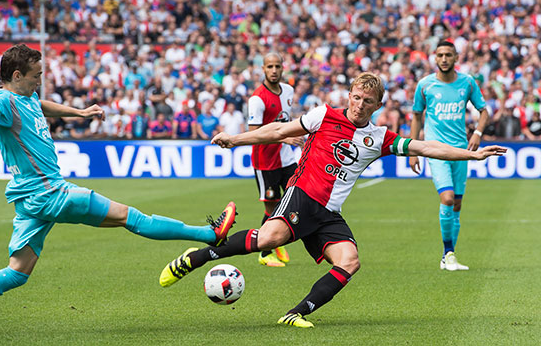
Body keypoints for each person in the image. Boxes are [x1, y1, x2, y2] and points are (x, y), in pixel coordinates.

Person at [0, 44, 238, 337]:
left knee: (17, 273)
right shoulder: (3, 100)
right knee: (129, 217)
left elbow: (44, 106)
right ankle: (210, 234)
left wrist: (80, 112)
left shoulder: (27, 98)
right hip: (51, 194)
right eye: (36, 75)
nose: (39, 81)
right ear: (16, 75)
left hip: (30, 202)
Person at [158, 72, 505, 328]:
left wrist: (470, 156)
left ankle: (296, 313)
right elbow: (279, 131)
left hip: (329, 213)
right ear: (349, 95)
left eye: (368, 101)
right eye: (356, 97)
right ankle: (196, 258)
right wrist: (235, 139)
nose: (359, 105)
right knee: (270, 238)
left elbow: (424, 146)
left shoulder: (380, 137)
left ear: (378, 105)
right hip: (302, 195)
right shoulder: (323, 116)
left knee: (350, 261)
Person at [409, 41, 490, 271]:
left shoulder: (467, 82)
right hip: (435, 150)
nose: (444, 59)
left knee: (457, 204)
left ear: (456, 58)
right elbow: (416, 116)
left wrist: (478, 132)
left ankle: (449, 256)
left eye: (448, 55)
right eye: (440, 55)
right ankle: (448, 253)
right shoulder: (425, 85)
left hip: (461, 151)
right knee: (447, 198)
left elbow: (484, 112)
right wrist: (413, 150)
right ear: (435, 58)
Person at [247, 52, 304, 267]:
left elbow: (285, 121)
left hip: (287, 159)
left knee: (296, 198)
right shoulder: (257, 99)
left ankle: (277, 238)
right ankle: (265, 252)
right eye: (269, 66)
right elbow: (253, 132)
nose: (273, 70)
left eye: (277, 66)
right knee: (271, 209)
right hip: (266, 162)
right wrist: (285, 137)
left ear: (283, 68)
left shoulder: (288, 91)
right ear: (263, 69)